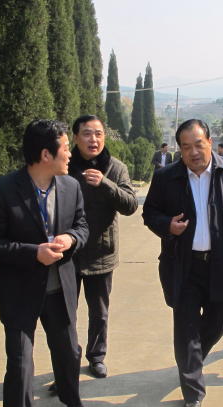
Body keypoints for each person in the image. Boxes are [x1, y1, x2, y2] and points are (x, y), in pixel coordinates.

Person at [0, 120, 89, 407]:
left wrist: (71, 239)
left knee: (68, 351)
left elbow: (82, 226)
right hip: (21, 292)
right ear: (45, 155)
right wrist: (32, 253)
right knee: (20, 365)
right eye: (65, 148)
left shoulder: (71, 186)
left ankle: (71, 398)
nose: (70, 153)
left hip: (60, 288)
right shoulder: (3, 190)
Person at [143, 119, 223, 407]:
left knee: (217, 323)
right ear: (179, 149)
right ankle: (193, 390)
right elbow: (150, 212)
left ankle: (191, 361)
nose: (193, 152)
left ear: (210, 142)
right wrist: (167, 225)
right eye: (186, 147)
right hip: (182, 265)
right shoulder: (167, 176)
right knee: (186, 329)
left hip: (221, 263)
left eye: (198, 144)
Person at [68, 115, 138, 378]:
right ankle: (67, 361)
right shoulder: (64, 165)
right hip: (68, 254)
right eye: (87, 133)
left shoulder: (115, 168)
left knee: (99, 313)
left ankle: (96, 357)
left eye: (98, 134)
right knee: (65, 314)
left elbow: (130, 205)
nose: (93, 139)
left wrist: (105, 184)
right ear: (76, 137)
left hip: (101, 253)